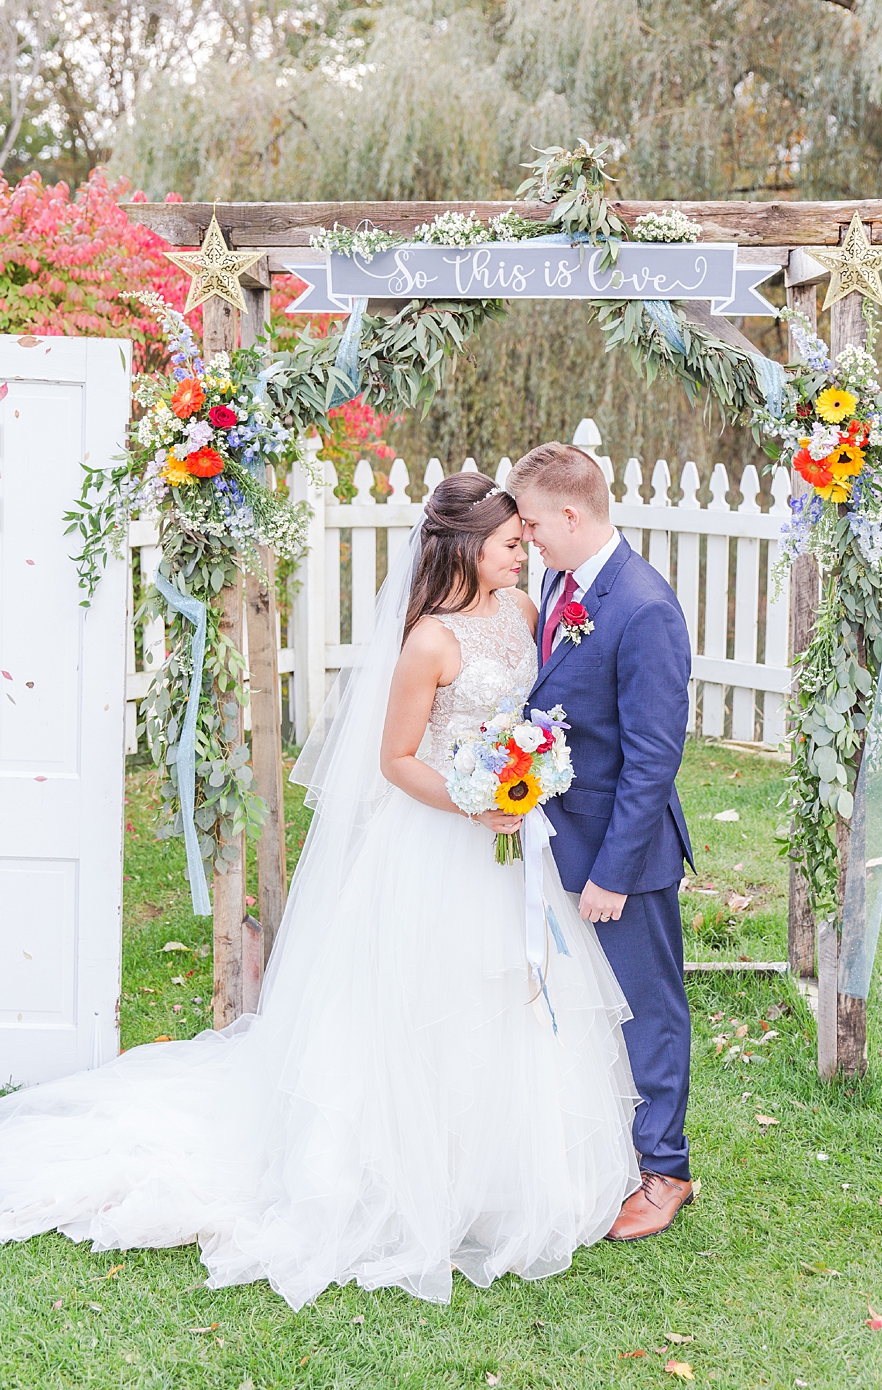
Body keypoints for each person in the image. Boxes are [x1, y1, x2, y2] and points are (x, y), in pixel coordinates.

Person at [0, 473, 640, 1310]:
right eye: (511, 543)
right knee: (421, 1009)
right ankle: (400, 1175)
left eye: (525, 540)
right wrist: (479, 800)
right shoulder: (428, 643)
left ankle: (496, 1175)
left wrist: (524, 780)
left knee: (507, 1003)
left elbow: (532, 714)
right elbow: (397, 761)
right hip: (438, 843)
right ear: (466, 548)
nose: (524, 553)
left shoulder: (523, 616)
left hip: (512, 847)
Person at [507, 442, 698, 1242]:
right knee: (587, 1007)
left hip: (624, 851)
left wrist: (614, 874)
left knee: (647, 1008)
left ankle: (666, 1170)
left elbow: (655, 755)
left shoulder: (644, 608)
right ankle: (609, 1148)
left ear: (572, 515)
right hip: (560, 834)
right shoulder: (559, 581)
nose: (526, 539)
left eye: (532, 523)